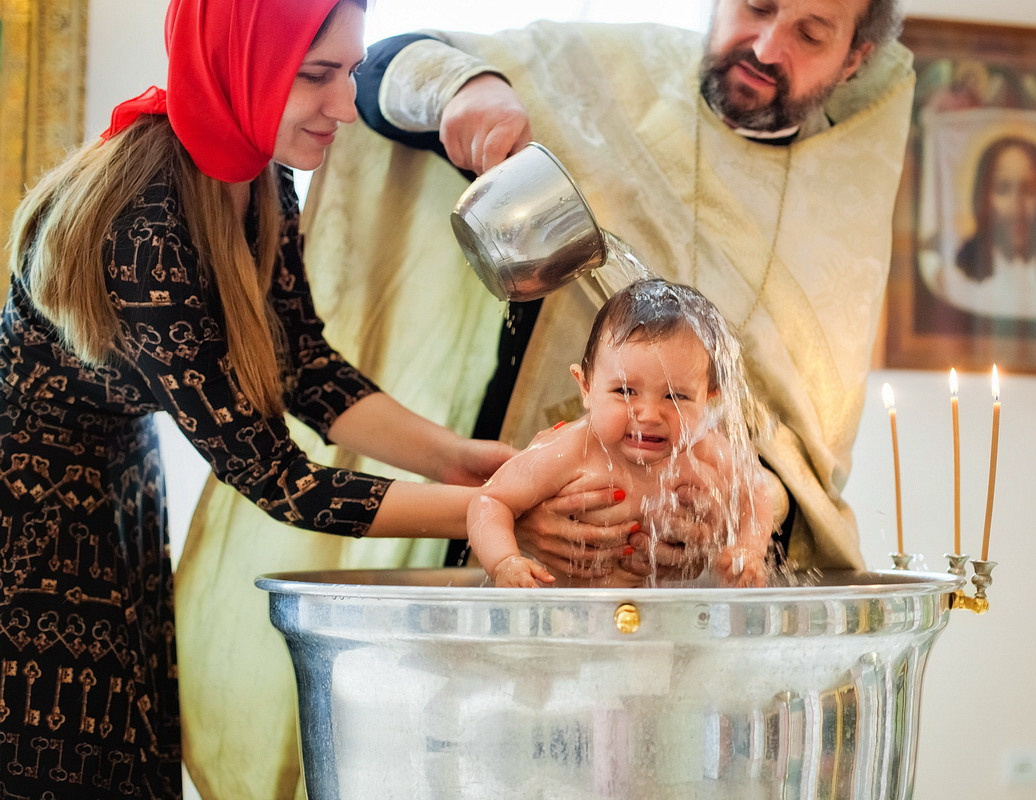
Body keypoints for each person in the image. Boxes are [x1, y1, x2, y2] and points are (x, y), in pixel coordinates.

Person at [180, 1, 917, 795]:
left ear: (854, 57)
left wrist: (739, 522)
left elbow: (795, 456)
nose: (766, 44)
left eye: (810, 32)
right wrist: (468, 92)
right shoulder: (603, 73)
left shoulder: (846, 193)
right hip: (528, 600)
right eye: (757, 6)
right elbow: (381, 67)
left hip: (694, 629)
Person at [0, 1, 517, 797]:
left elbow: (303, 366)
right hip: (28, 524)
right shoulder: (145, 226)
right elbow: (279, 478)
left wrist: (460, 462)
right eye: (318, 76)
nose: (346, 106)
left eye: (349, 72)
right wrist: (488, 510)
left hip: (115, 490)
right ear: (239, 65)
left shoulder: (261, 176)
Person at [471, 279, 774, 589]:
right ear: (586, 387)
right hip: (575, 613)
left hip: (667, 616)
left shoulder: (705, 450)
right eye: (625, 391)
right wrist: (504, 562)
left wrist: (749, 548)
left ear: (708, 399)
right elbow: (490, 501)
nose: (649, 415)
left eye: (676, 396)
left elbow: (758, 494)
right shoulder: (570, 451)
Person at [939, 135, 1036, 320]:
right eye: (1003, 188)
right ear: (984, 197)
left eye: (1029, 189)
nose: (1017, 207)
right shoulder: (955, 282)